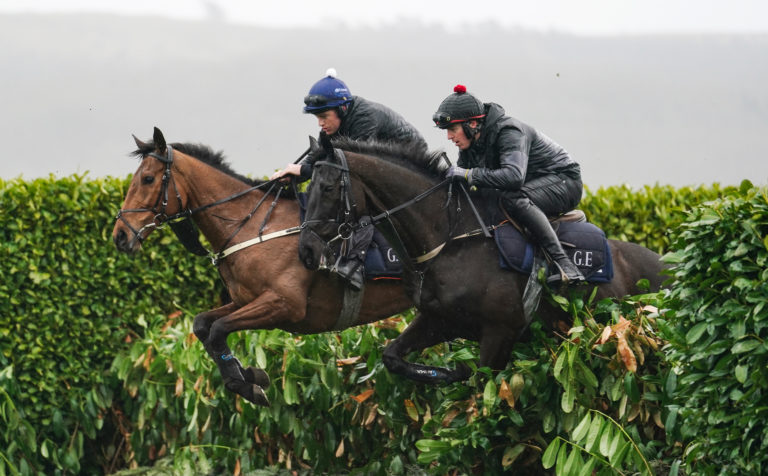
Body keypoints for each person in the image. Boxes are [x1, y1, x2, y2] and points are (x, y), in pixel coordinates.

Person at [271, 68, 428, 290]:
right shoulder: (334, 123)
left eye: (324, 117)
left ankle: (354, 265)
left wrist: (305, 170)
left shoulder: (365, 119)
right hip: (381, 158)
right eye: (317, 118)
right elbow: (321, 154)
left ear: (342, 110)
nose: (320, 124)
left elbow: (347, 166)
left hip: (409, 163)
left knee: (357, 197)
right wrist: (295, 170)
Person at [432, 84, 585, 284]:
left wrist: (468, 174)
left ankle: (565, 265)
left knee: (513, 198)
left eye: (453, 129)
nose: (449, 137)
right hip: (533, 184)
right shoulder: (470, 143)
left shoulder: (509, 131)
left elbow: (513, 177)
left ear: (472, 124)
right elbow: (467, 185)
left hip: (564, 181)